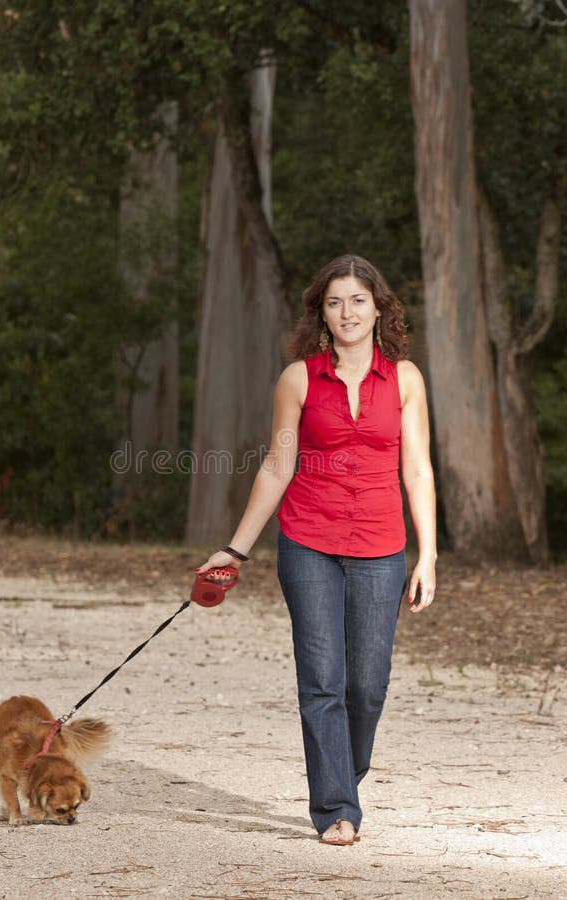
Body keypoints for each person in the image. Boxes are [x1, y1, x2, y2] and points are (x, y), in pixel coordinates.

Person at [196, 254, 436, 846]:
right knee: (322, 681)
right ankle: (336, 808)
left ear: (379, 307)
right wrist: (236, 549)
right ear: (320, 314)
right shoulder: (298, 379)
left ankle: (341, 773)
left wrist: (428, 554)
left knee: (367, 686)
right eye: (334, 302)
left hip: (382, 548)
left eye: (358, 300)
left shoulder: (405, 378)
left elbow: (419, 471)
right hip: (308, 544)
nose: (347, 312)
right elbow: (278, 467)